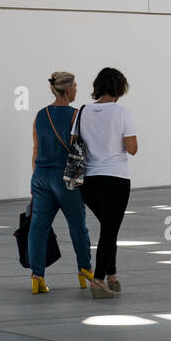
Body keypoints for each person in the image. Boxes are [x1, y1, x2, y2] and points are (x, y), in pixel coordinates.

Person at [27, 71, 94, 294]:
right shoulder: (76, 115)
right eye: (75, 85)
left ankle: (37, 277)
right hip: (65, 177)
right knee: (77, 226)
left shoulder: (40, 114)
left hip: (41, 176)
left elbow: (36, 150)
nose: (77, 89)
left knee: (38, 227)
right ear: (67, 90)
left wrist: (35, 179)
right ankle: (84, 269)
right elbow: (82, 149)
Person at [75, 67, 138, 297]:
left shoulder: (83, 111)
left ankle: (112, 276)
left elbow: (75, 141)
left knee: (109, 228)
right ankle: (99, 280)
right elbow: (132, 149)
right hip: (116, 179)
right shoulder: (122, 113)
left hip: (88, 181)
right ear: (120, 88)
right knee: (110, 231)